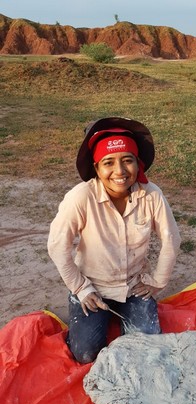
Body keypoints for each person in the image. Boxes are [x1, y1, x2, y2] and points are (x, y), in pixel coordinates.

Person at [48, 116, 181, 364]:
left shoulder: (151, 195)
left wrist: (157, 281)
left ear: (138, 164)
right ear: (97, 168)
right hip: (92, 287)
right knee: (85, 354)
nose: (119, 172)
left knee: (147, 347)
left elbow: (171, 238)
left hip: (134, 285)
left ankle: (123, 313)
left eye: (127, 160)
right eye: (108, 162)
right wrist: (80, 287)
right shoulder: (81, 197)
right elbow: (57, 246)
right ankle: (86, 311)